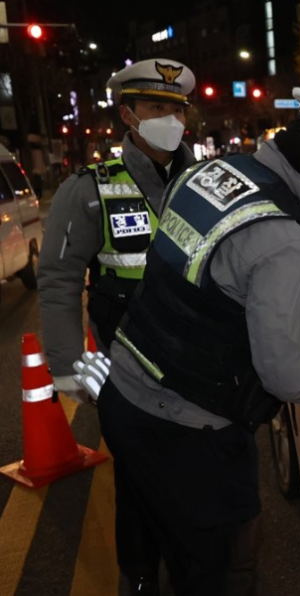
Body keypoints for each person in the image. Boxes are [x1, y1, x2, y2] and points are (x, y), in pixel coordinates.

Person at [92, 87, 300, 595]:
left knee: (148, 539)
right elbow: (291, 374)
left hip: (126, 395)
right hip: (192, 439)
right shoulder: (287, 246)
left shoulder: (210, 174)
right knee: (218, 573)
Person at [37, 58, 197, 595]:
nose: (171, 120)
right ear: (128, 114)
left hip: (203, 369)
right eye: (157, 107)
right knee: (138, 488)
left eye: (177, 108)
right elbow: (59, 280)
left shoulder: (206, 187)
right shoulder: (90, 189)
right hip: (126, 372)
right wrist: (66, 368)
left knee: (200, 489)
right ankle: (142, 577)